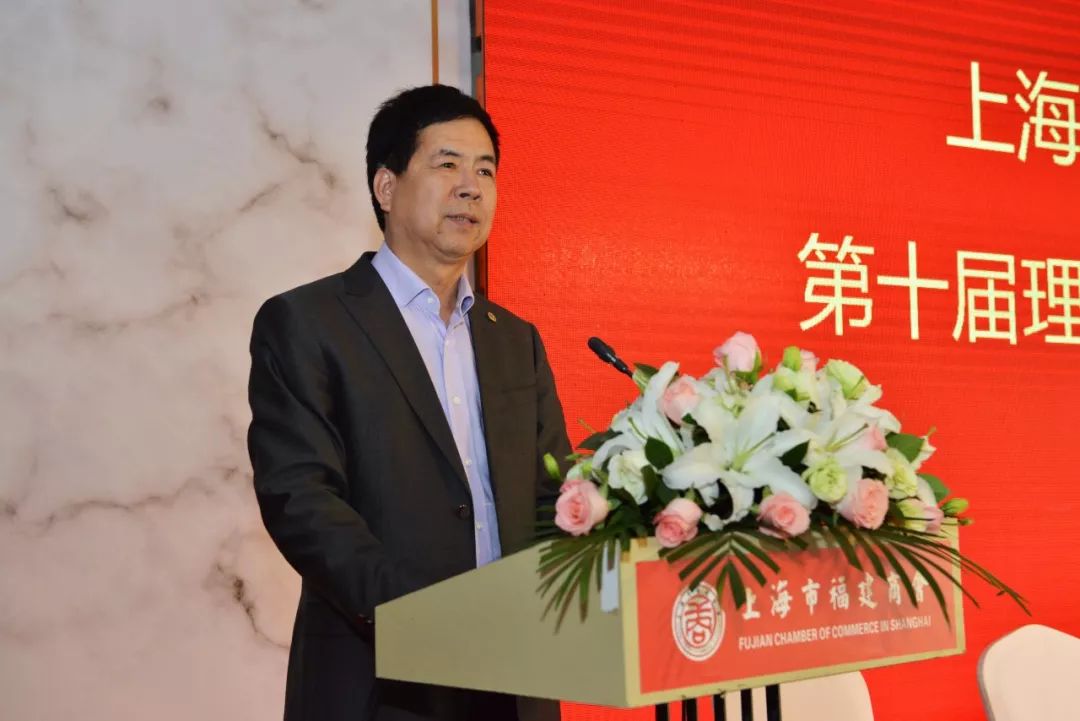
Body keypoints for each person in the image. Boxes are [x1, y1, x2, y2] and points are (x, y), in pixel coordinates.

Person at [246, 84, 571, 721]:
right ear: (386, 187)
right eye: (447, 164)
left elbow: (551, 495)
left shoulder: (517, 341)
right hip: (380, 681)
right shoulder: (308, 322)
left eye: (485, 171)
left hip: (514, 681)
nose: (471, 188)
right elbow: (302, 499)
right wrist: (428, 621)